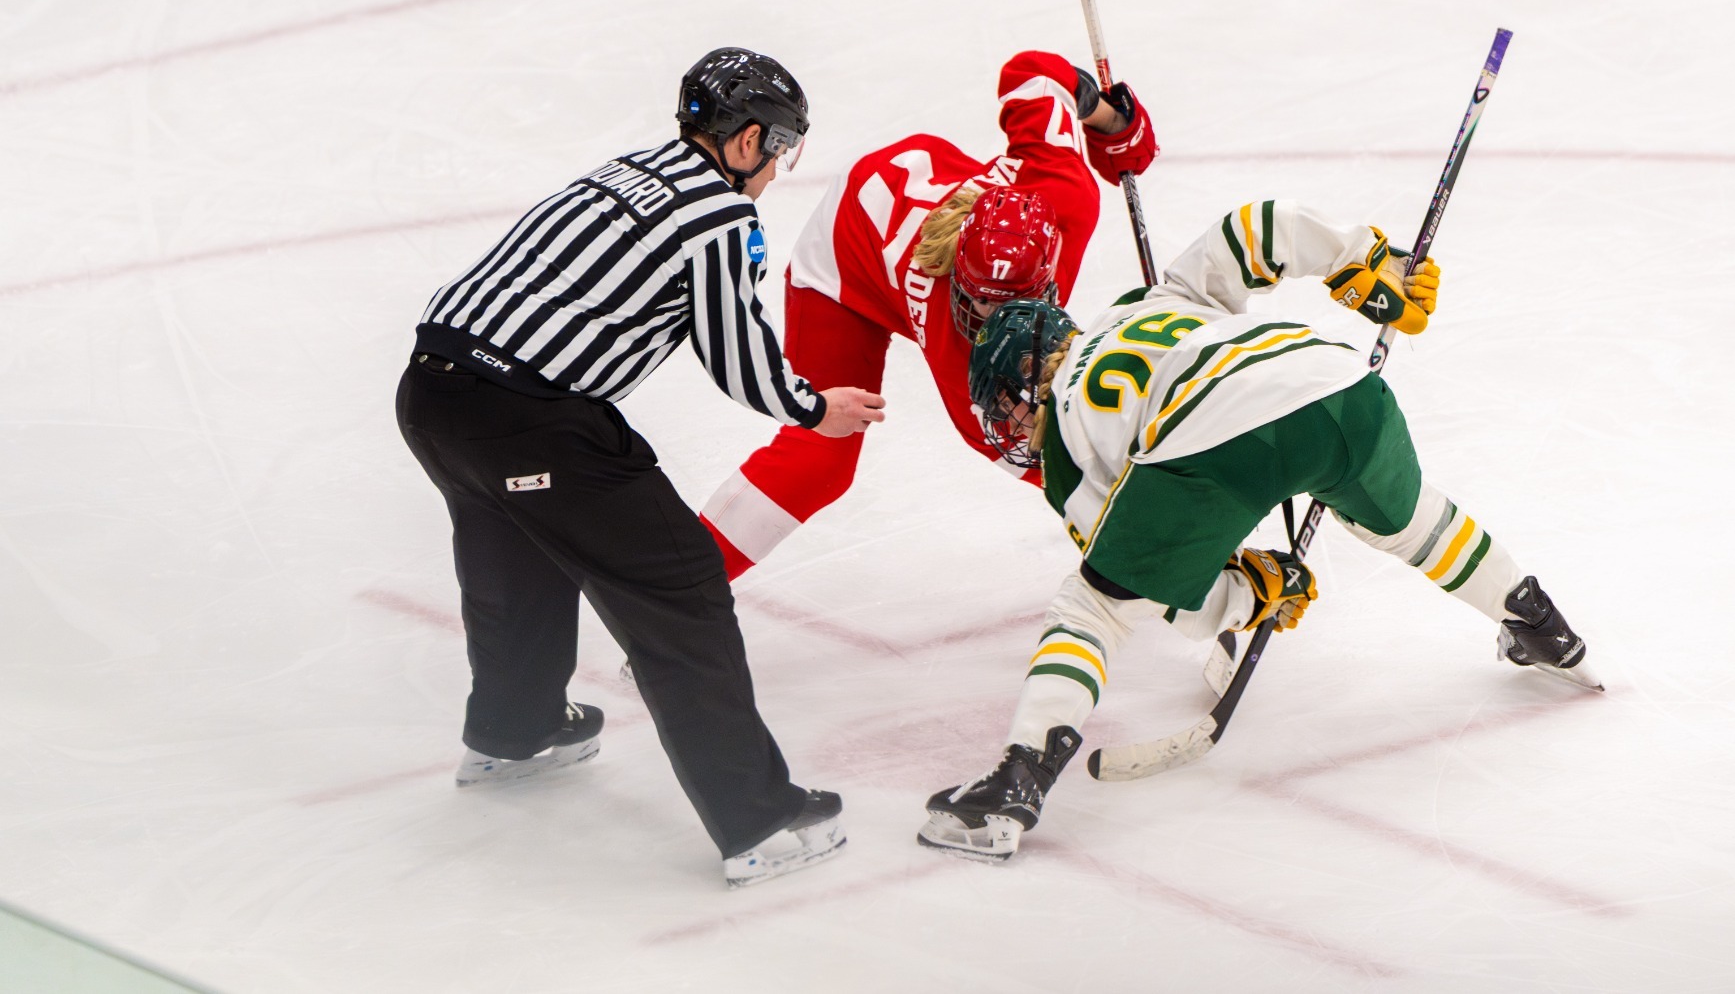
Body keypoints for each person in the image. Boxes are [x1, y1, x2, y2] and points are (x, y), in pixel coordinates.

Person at [917, 199, 1601, 862]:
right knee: (1415, 523)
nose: (1009, 430)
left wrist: (1248, 595)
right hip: (1340, 385)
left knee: (1090, 608)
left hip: (1210, 440)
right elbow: (1249, 230)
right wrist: (1363, 259)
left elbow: (1159, 589)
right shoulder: (1145, 304)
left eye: (1004, 410)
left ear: (1023, 386)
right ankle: (1541, 625)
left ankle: (1019, 778)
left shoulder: (1066, 443)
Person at [395, 47, 884, 888]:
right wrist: (815, 408)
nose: (776, 170)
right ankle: (759, 820)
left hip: (431, 394)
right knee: (682, 584)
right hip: (529, 422)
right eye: (780, 148)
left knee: (516, 548)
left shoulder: (631, 171)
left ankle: (515, 732)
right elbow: (737, 357)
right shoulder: (718, 217)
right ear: (747, 140)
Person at [697, 51, 1158, 580]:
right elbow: (1061, 467)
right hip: (844, 262)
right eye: (978, 301)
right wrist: (1171, 531)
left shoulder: (1065, 193)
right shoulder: (961, 355)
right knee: (820, 456)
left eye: (1009, 305)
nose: (990, 323)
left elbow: (1033, 70)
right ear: (957, 272)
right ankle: (677, 599)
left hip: (908, 183)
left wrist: (1107, 118)